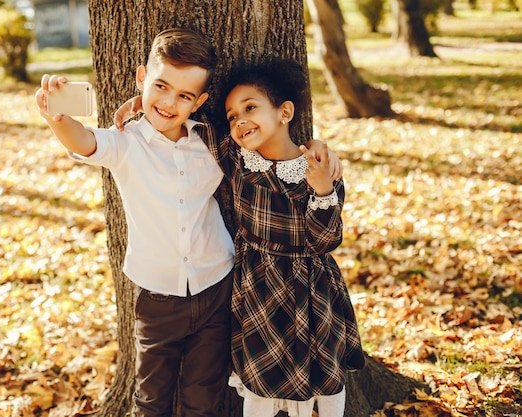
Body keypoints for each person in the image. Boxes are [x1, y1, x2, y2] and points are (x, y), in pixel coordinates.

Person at [35, 28, 236, 417]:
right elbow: (85, 142)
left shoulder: (209, 141)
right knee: (150, 398)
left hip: (216, 289)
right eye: (160, 86)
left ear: (200, 102)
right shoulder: (126, 143)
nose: (169, 102)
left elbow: (258, 140)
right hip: (158, 300)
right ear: (142, 77)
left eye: (184, 96)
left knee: (203, 399)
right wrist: (58, 118)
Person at [211, 58, 366, 417]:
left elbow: (325, 241)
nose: (240, 120)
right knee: (260, 377)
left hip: (309, 288)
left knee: (321, 373)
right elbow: (189, 127)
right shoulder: (238, 160)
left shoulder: (316, 169)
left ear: (285, 112)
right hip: (257, 288)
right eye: (232, 116)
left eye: (250, 107)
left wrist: (324, 189)